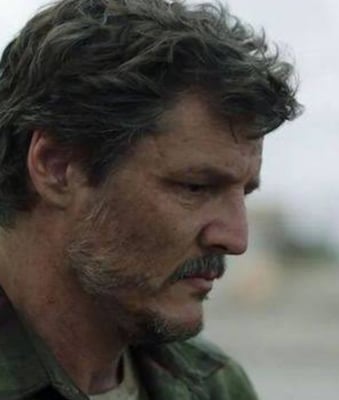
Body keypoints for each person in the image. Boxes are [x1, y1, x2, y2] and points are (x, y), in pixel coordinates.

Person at [0, 1, 301, 399]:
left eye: (244, 193)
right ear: (56, 167)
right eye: (195, 187)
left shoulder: (214, 387)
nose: (236, 239)